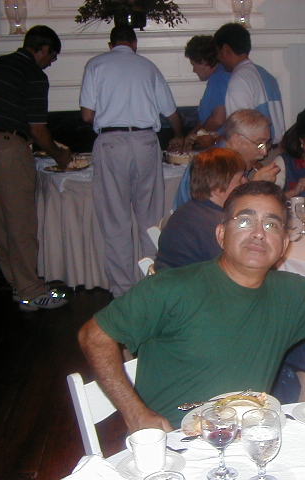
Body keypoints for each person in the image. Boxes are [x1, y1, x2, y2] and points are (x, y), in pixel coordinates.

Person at [78, 181, 305, 431]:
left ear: (284, 244)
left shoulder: (289, 292)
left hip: (246, 440)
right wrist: (134, 413)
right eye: (245, 221)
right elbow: (93, 335)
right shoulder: (173, 288)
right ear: (221, 235)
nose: (258, 233)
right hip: (174, 444)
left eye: (271, 224)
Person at [79, 26, 184, 297]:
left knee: (115, 219)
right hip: (146, 141)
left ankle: (123, 291)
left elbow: (87, 115)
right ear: (134, 44)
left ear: (110, 44)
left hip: (112, 142)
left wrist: (111, 112)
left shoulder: (96, 65)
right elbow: (171, 112)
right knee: (151, 217)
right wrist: (179, 135)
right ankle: (153, 284)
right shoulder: (148, 67)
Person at [0, 25, 70, 311]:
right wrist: (59, 155)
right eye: (52, 56)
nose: (51, 62)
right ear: (42, 49)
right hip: (9, 148)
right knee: (21, 222)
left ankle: (19, 286)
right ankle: (33, 291)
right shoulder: (34, 75)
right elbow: (37, 130)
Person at [155, 148, 246, 270]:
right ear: (218, 187)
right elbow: (233, 269)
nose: (246, 182)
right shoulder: (215, 225)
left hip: (171, 277)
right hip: (189, 280)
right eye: (240, 179)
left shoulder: (189, 211)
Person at [174, 109, 280, 209]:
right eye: (259, 144)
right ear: (237, 141)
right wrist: (255, 186)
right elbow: (219, 213)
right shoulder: (211, 165)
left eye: (266, 143)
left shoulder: (237, 161)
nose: (264, 152)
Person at [214, 22, 285, 145]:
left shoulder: (239, 80)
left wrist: (214, 141)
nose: (218, 59)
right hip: (274, 149)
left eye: (218, 53)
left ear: (225, 50)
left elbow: (240, 132)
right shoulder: (266, 75)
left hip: (256, 151)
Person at [181, 35, 231, 151]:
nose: (194, 70)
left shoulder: (218, 79)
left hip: (221, 148)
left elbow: (218, 119)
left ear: (204, 62)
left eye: (194, 64)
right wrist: (192, 134)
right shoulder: (220, 76)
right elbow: (209, 118)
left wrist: (196, 137)